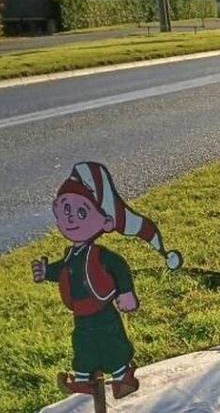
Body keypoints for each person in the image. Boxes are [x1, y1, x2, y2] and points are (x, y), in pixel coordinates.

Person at [32, 162, 181, 399]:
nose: (72, 218)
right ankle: (83, 379)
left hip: (103, 312)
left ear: (106, 222)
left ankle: (123, 377)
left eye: (82, 212)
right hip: (81, 315)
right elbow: (63, 270)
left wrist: (126, 293)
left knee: (113, 344)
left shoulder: (101, 255)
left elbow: (119, 268)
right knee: (84, 346)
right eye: (66, 210)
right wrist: (46, 271)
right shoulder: (71, 255)